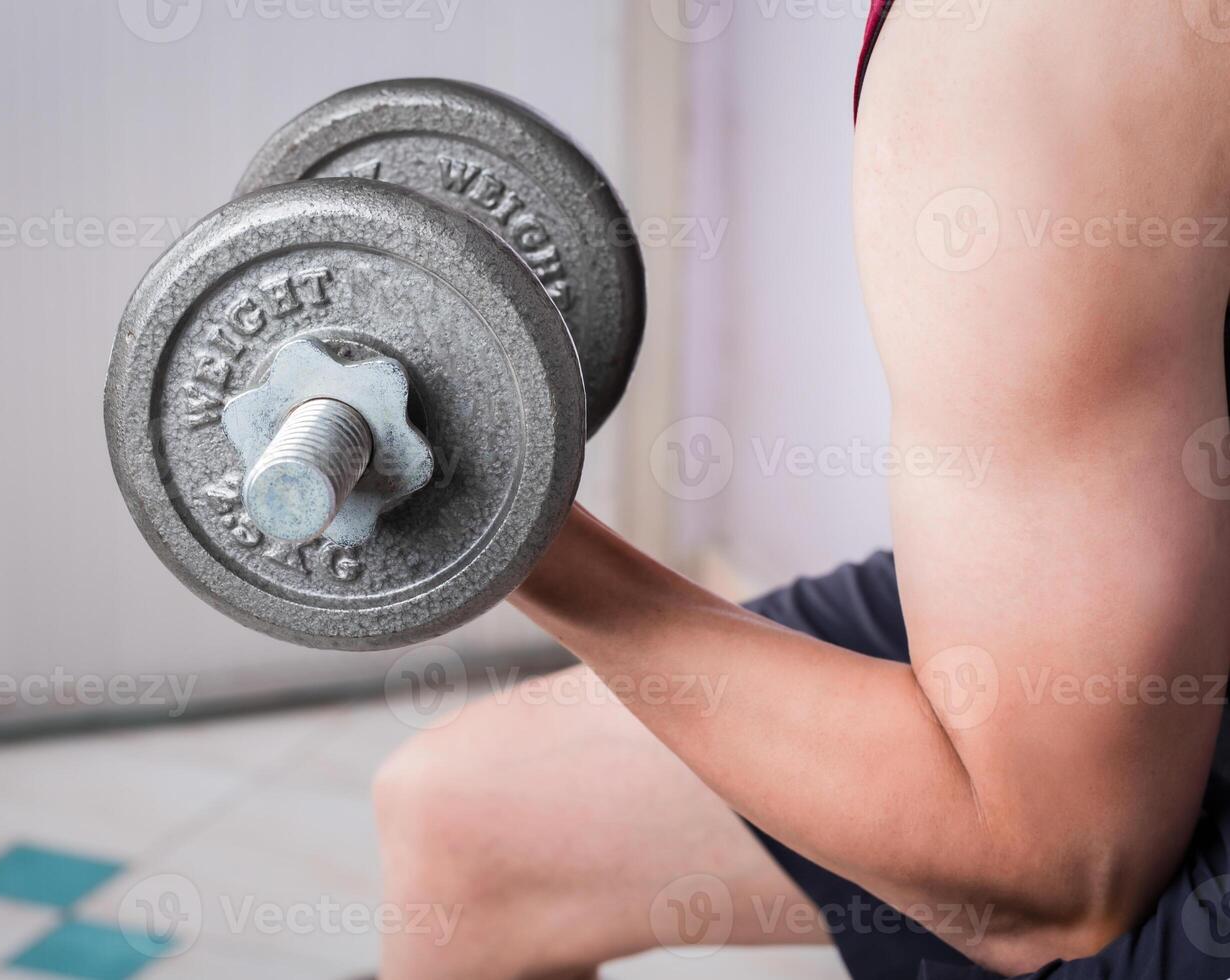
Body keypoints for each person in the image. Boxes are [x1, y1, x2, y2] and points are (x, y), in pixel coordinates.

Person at [372, 1, 1230, 977]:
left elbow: (1054, 878)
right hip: (1158, 596)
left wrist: (499, 512)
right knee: (465, 813)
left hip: (1074, 821)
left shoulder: (1037, 36)